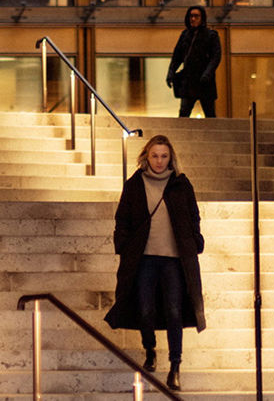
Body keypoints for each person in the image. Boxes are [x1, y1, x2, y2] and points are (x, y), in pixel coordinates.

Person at [102, 135, 204, 390]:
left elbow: (193, 216)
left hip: (174, 260)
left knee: (173, 311)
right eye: (155, 155)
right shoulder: (135, 184)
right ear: (147, 156)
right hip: (144, 258)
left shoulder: (181, 184)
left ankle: (175, 366)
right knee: (145, 310)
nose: (159, 161)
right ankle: (150, 349)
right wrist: (123, 245)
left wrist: (195, 239)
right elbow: (122, 218)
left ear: (171, 158)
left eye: (164, 156)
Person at [166, 5, 220, 118]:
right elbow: (177, 56)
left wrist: (207, 74)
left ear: (202, 18)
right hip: (188, 80)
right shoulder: (185, 35)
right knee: (184, 113)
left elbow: (216, 57)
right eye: (191, 16)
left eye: (196, 16)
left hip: (204, 82)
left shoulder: (211, 35)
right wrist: (170, 73)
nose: (193, 19)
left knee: (210, 114)